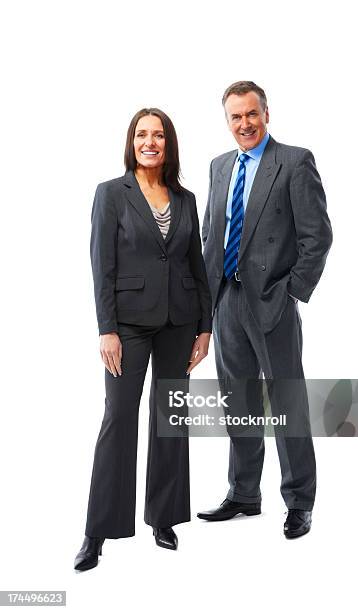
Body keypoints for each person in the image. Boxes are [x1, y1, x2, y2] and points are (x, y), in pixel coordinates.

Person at [74, 108, 212, 571]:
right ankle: (97, 532)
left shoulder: (186, 198)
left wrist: (206, 326)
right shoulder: (111, 194)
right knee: (119, 418)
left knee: (170, 417)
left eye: (158, 135)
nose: (149, 142)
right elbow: (102, 267)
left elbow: (198, 263)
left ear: (169, 144)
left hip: (180, 320)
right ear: (131, 141)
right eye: (141, 134)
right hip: (128, 324)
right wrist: (106, 329)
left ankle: (164, 518)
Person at [197, 81, 332, 538]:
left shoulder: (294, 162)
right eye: (235, 117)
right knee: (239, 403)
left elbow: (318, 237)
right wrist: (207, 298)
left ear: (267, 114)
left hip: (272, 300)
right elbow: (210, 233)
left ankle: (299, 502)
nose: (244, 124)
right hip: (227, 300)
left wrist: (291, 290)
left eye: (251, 114)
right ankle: (244, 494)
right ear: (228, 121)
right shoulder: (219, 166)